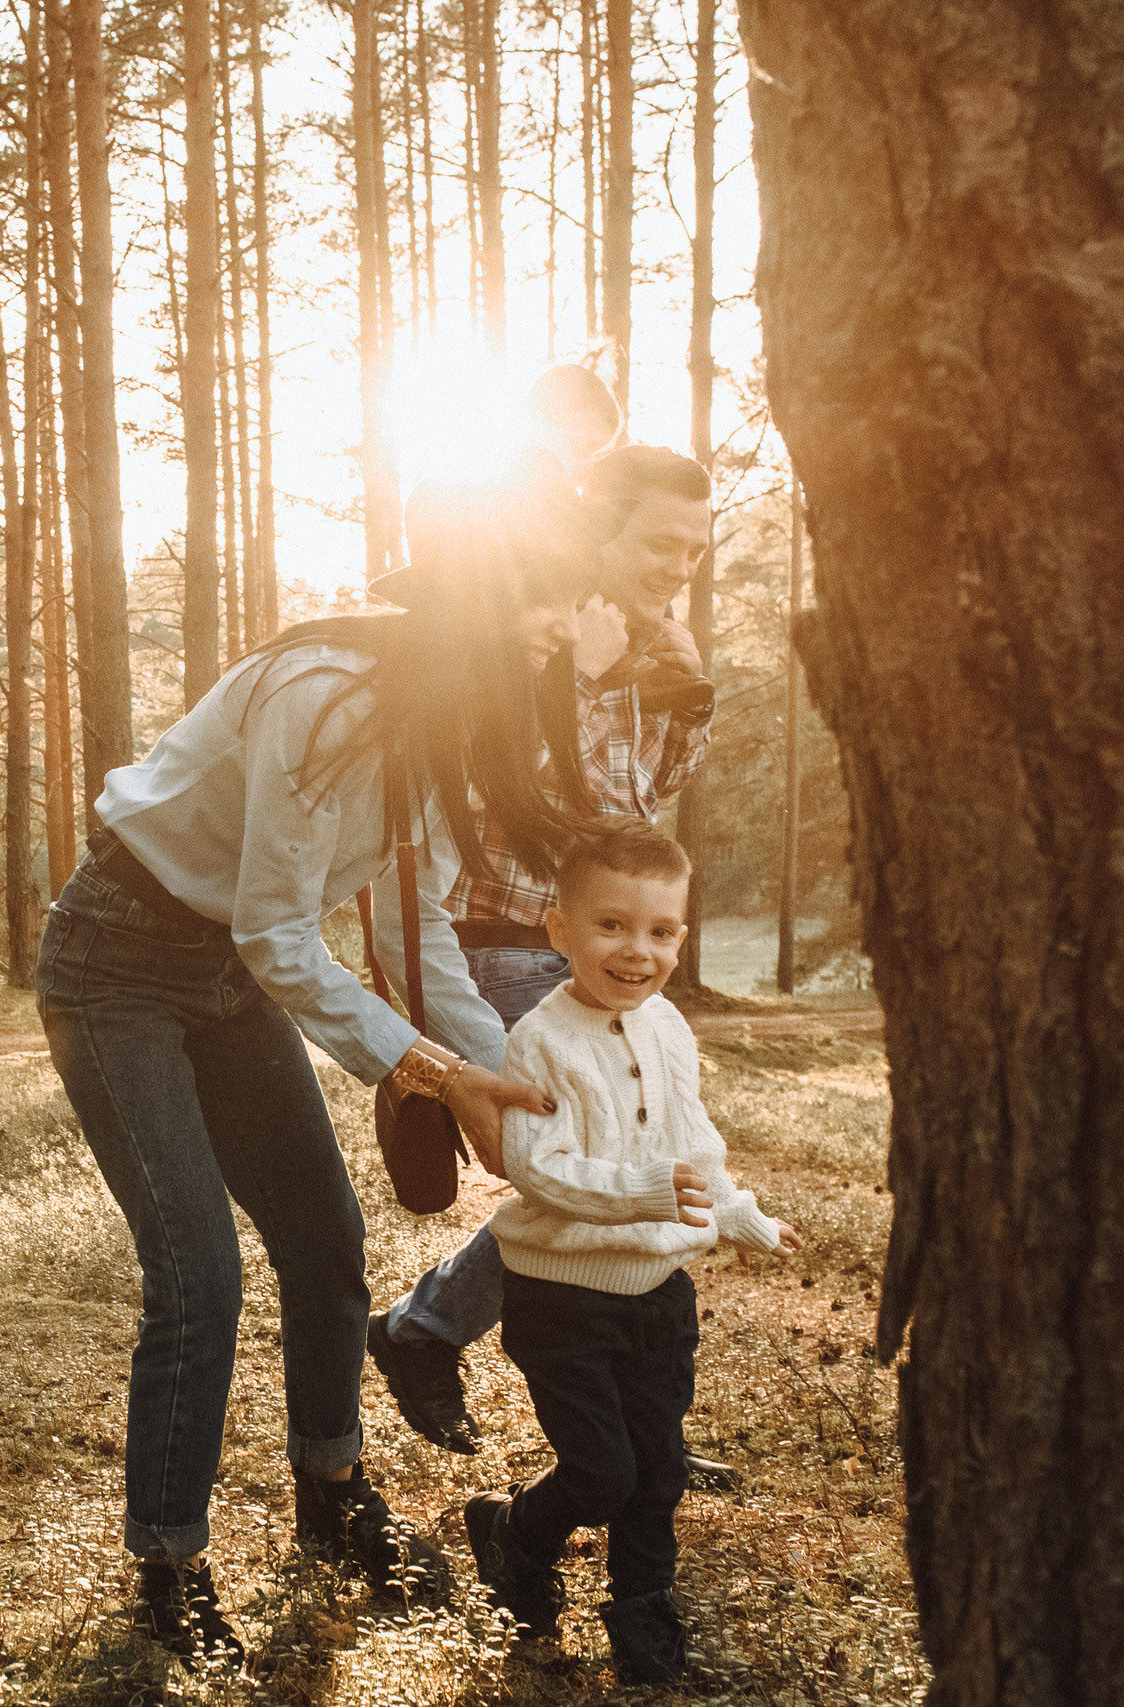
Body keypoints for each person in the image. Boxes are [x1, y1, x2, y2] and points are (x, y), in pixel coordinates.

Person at [33, 468, 612, 1662]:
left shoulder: (447, 721)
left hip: (231, 976)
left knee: (325, 1240)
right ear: (479, 604)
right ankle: (169, 1564)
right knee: (197, 1273)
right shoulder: (324, 691)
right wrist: (427, 1074)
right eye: (550, 599)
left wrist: (501, 1075)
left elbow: (414, 930)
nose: (565, 626)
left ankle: (331, 1496)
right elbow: (278, 930)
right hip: (119, 959)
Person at [367, 441, 720, 1457]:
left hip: (586, 954)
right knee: (610, 1157)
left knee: (640, 1156)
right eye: (658, 543)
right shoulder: (529, 636)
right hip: (502, 945)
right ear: (592, 535)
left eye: (694, 551)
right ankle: (456, 1341)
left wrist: (677, 689)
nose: (675, 568)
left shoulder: (650, 643)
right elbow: (558, 822)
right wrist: (600, 679)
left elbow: (649, 807)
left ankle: (436, 1333)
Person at [453, 827, 800, 1681]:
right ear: (559, 931)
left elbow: (695, 1142)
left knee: (657, 1471)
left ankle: (647, 1636)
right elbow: (536, 1165)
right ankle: (513, 1531)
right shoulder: (542, 1039)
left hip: (657, 1295)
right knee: (602, 1470)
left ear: (681, 934)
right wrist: (645, 1189)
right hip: (563, 1299)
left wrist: (741, 1214)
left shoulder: (669, 1025)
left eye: (661, 931)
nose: (637, 951)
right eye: (611, 925)